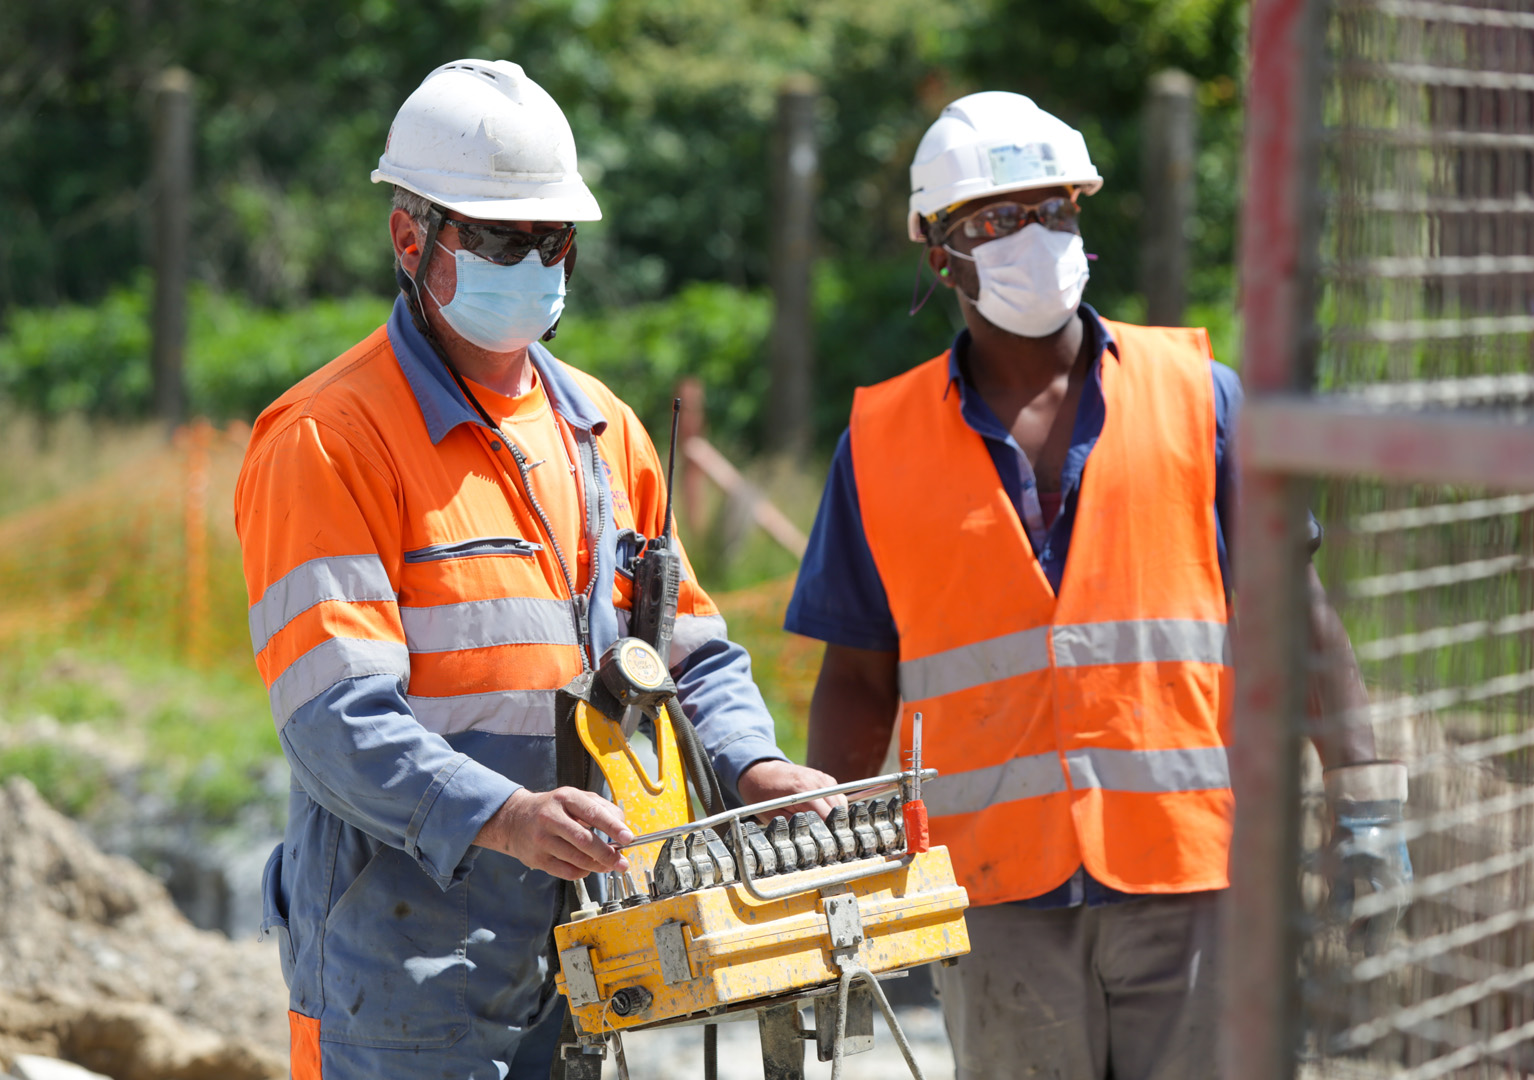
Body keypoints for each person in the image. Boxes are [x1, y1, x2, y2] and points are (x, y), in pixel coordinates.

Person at [785, 90, 1411, 1080]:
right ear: (938, 252)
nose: (1035, 237)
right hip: (994, 900)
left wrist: (1369, 799)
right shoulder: (880, 443)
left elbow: (1296, 616)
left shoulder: (1200, 398)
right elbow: (859, 680)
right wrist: (833, 866)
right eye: (997, 219)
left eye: (1055, 211)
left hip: (1193, 877)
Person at [235, 59, 833, 1080]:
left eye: (555, 240)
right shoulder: (330, 441)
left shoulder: (603, 433)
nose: (538, 262)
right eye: (505, 238)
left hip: (579, 958)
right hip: (402, 974)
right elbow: (334, 721)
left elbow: (684, 652)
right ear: (409, 236)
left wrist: (752, 764)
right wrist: (504, 819)